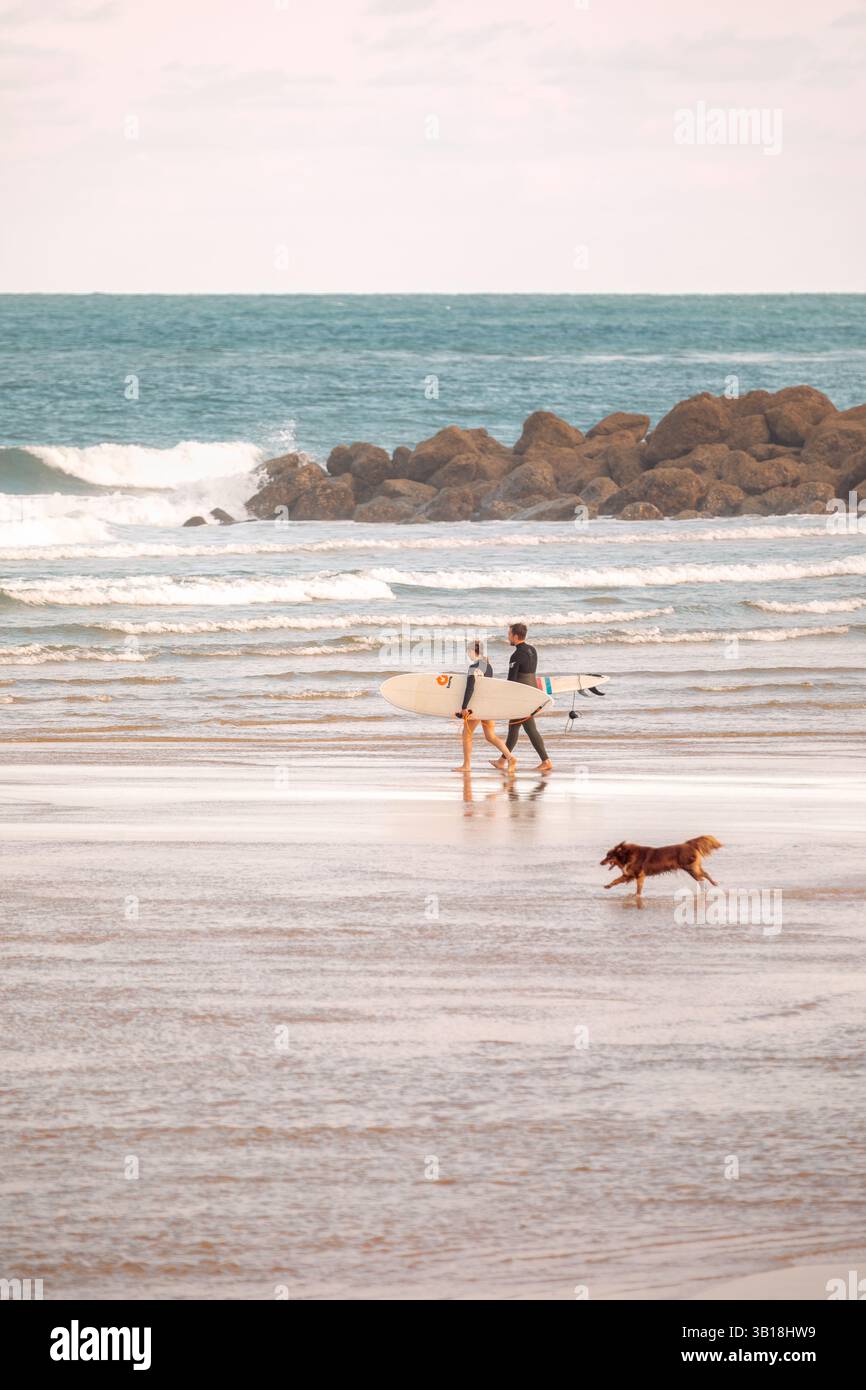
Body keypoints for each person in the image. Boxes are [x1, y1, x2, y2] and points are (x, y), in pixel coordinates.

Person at [491, 622, 552, 773]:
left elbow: (511, 681)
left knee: (530, 729)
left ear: (516, 636)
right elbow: (529, 673)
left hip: (522, 697)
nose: (508, 637)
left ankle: (546, 760)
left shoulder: (516, 655)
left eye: (509, 634)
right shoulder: (533, 650)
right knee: (514, 728)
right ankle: (502, 761)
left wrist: (502, 697)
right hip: (532, 692)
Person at [452, 640, 516, 774]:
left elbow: (470, 688)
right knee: (490, 736)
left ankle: (466, 765)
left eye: (468, 652)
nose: (467, 655)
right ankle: (510, 758)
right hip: (488, 705)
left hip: (477, 706)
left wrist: (464, 707)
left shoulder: (474, 667)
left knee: (467, 734)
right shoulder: (488, 666)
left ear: (472, 652)